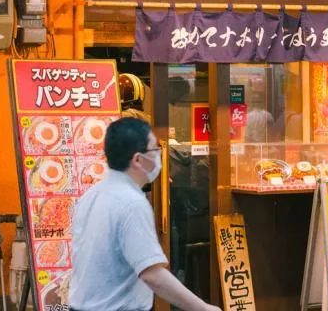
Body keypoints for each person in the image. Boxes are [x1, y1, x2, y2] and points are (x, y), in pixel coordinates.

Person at [69, 117, 221, 311]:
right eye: (154, 150)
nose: (159, 155)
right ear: (138, 159)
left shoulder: (92, 195)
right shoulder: (131, 203)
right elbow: (152, 274)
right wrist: (203, 308)